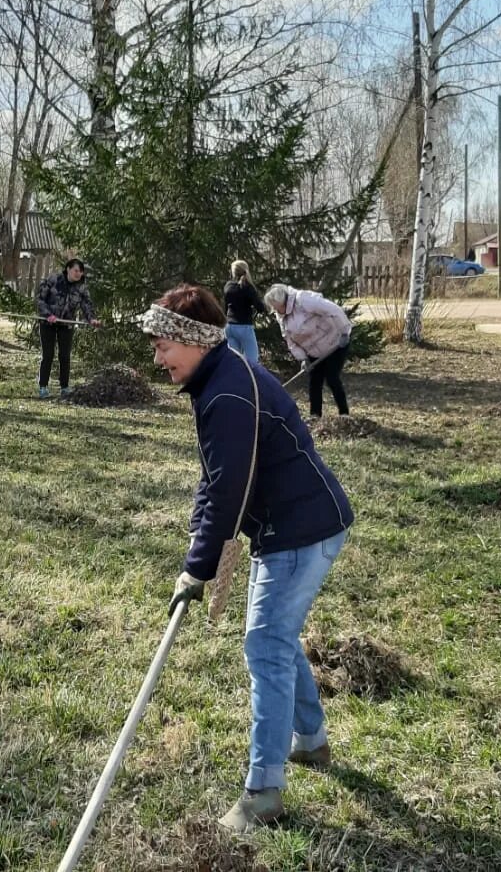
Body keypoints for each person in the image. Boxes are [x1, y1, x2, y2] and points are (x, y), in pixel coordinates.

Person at [143, 284, 354, 834]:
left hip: (301, 530)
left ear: (195, 341)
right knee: (278, 639)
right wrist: (197, 551)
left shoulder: (226, 395)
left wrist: (199, 566)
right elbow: (214, 481)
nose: (158, 355)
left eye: (165, 344)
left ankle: (263, 791)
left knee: (265, 644)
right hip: (291, 525)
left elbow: (230, 491)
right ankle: (311, 742)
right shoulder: (217, 378)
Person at [263, 283, 353, 417]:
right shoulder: (281, 316)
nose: (275, 311)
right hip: (313, 351)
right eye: (274, 309)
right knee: (314, 382)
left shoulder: (304, 300)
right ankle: (315, 415)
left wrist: (344, 332)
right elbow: (291, 342)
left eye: (277, 308)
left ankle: (344, 414)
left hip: (335, 342)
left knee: (332, 377)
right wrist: (303, 358)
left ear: (284, 302)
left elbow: (334, 310)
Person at [35, 258, 99, 398]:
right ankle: (43, 386)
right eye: (76, 270)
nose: (78, 274)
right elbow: (40, 299)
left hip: (66, 324)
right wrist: (48, 315)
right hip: (48, 323)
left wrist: (91, 319)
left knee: (64, 356)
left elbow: (86, 305)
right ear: (68, 269)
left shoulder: (81, 287)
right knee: (48, 355)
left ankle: (64, 387)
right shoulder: (54, 279)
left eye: (81, 272)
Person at [223, 260, 265, 364]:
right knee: (252, 361)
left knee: (234, 360)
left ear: (233, 272)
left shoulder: (228, 286)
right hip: (244, 326)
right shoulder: (247, 287)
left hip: (229, 326)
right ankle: (251, 379)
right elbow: (260, 307)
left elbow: (226, 306)